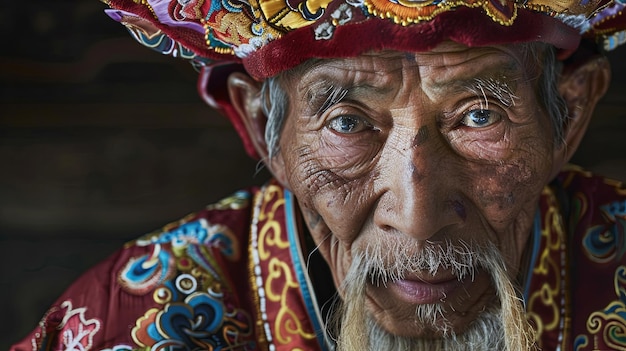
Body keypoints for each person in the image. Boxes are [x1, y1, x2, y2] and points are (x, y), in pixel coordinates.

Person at [10, 0, 626, 350]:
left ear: (568, 116)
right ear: (262, 129)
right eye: (347, 123)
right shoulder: (133, 324)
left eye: (478, 115)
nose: (416, 215)